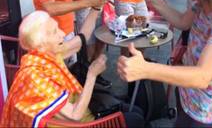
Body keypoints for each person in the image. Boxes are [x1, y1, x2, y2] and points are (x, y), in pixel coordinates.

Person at [0, 10, 144, 127]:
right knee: (137, 119)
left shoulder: (46, 54)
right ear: (41, 44)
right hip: (87, 123)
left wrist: (95, 8)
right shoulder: (35, 77)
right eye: (54, 31)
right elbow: (75, 116)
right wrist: (92, 75)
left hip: (86, 108)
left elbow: (82, 38)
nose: (62, 33)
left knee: (137, 110)